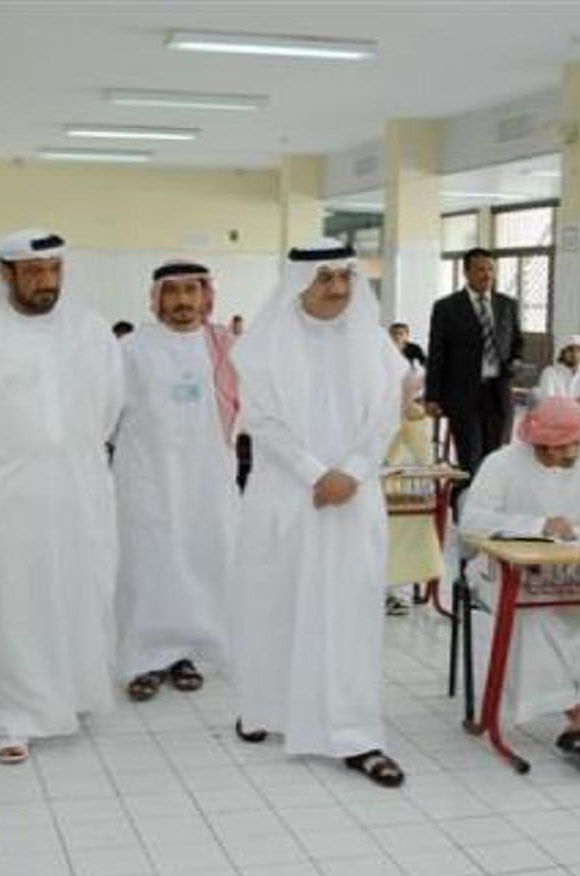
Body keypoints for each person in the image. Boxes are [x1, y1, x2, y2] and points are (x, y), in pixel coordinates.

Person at [0, 229, 122, 765]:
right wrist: (12, 457)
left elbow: (110, 406)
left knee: (77, 593)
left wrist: (66, 455)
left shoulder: (91, 331)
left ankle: (74, 696)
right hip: (3, 495)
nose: (46, 281)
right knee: (9, 602)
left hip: (79, 490)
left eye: (54, 270)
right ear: (6, 274)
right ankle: (11, 717)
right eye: (34, 271)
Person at [231, 239, 406, 788]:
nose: (336, 288)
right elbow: (262, 421)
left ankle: (354, 734)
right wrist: (315, 472)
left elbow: (386, 418)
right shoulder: (261, 347)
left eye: (344, 277)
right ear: (299, 281)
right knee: (277, 603)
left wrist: (350, 471)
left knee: (348, 612)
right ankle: (269, 709)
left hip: (354, 497)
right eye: (325, 277)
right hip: (286, 496)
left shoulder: (376, 346)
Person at [459, 398, 580, 773]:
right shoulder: (501, 464)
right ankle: (577, 714)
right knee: (533, 615)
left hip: (569, 570)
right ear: (537, 442)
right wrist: (538, 526)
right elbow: (472, 522)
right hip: (502, 571)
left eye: (578, 442)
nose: (573, 452)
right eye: (564, 446)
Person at [112, 260, 239, 702]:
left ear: (206, 295)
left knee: (202, 558)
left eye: (192, 290)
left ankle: (187, 652)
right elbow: (107, 414)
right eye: (173, 292)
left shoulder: (224, 346)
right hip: (147, 477)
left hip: (208, 475)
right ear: (157, 297)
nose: (184, 301)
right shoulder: (132, 349)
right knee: (148, 564)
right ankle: (143, 658)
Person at [425, 247, 521, 478]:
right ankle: (468, 505)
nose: (486, 274)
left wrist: (515, 362)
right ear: (466, 273)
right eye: (480, 269)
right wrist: (433, 396)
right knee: (471, 455)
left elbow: (517, 341)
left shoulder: (507, 305)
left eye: (490, 269)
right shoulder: (447, 307)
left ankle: (491, 505)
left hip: (498, 392)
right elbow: (436, 353)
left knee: (497, 456)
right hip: (462, 394)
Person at [384, 324, 441, 616]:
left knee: (412, 521)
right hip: (360, 485)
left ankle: (396, 589)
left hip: (395, 486)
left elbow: (424, 457)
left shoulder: (411, 414)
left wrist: (416, 420)